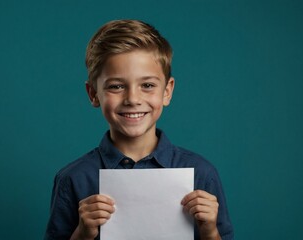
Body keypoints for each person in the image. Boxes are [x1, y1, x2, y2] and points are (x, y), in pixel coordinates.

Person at [44, 19, 234, 240]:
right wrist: (82, 234)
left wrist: (210, 231)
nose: (133, 99)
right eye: (116, 86)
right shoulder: (73, 178)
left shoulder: (202, 174)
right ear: (93, 94)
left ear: (167, 91)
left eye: (147, 85)